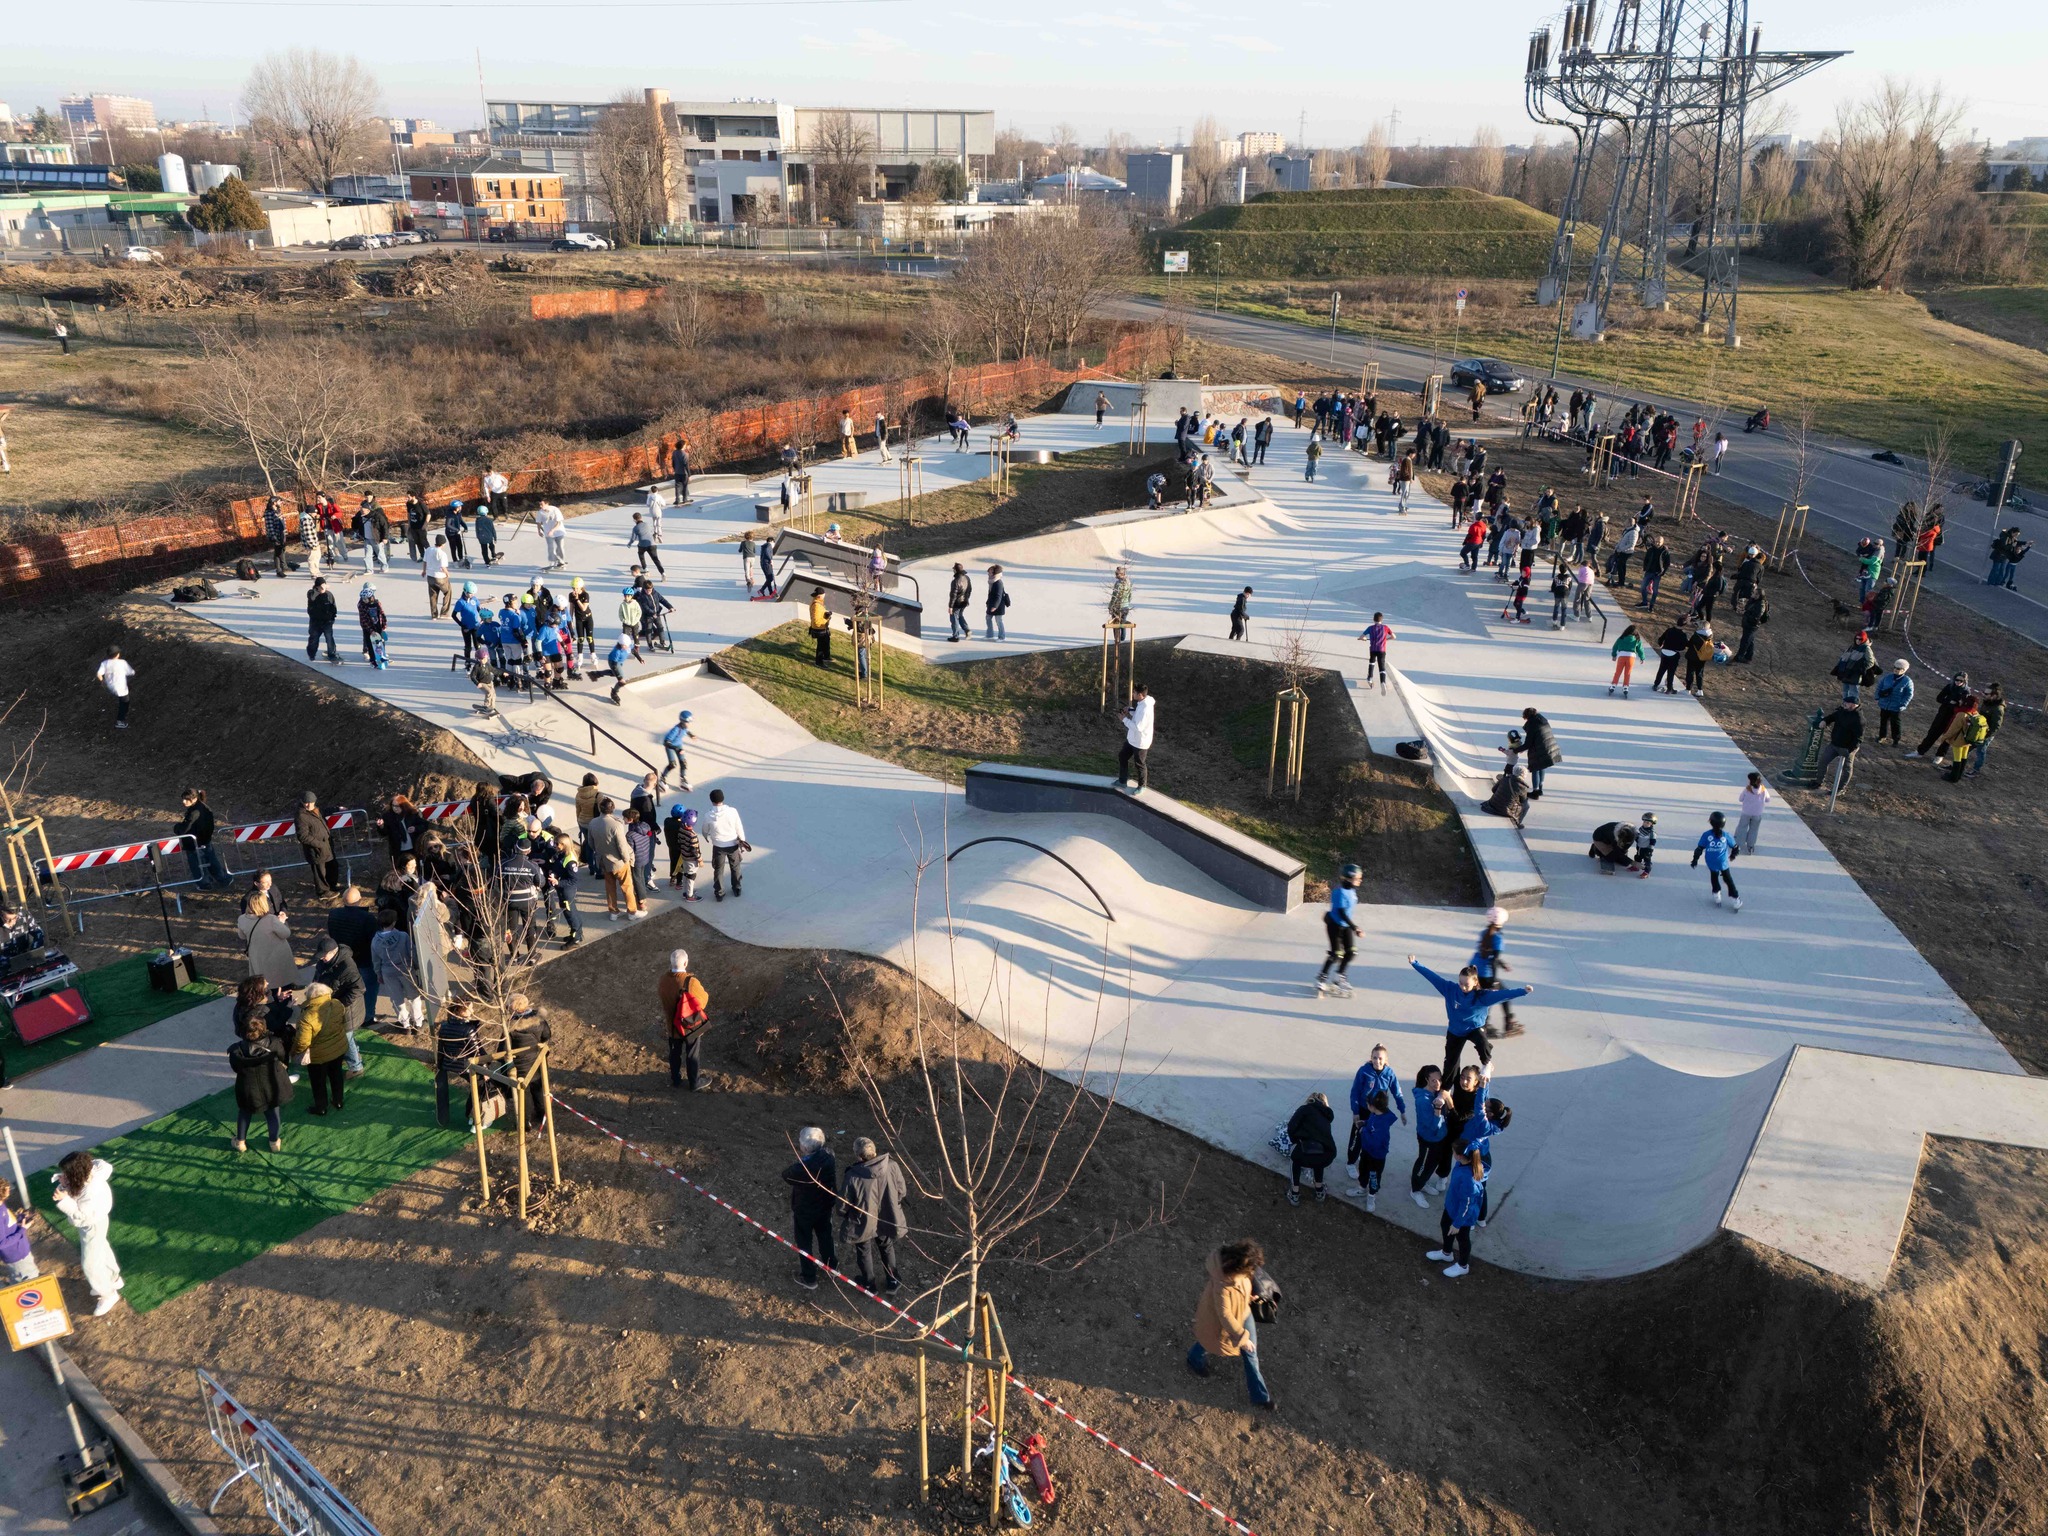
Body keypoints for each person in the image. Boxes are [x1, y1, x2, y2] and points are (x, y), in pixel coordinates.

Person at [1408, 954, 1532, 1080]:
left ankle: (1487, 1064)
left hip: (1474, 1027)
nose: (1463, 987)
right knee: (1451, 1062)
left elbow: (1503, 994)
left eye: (1466, 984)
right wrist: (1415, 963)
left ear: (1475, 982)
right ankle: (1445, 1090)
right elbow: (1432, 977)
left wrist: (1523, 991)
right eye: (1460, 983)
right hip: (1455, 1030)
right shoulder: (1450, 989)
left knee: (1482, 1042)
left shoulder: (1482, 996)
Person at [1186, 1239, 1273, 1411]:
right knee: (1210, 1342)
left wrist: (1248, 1297)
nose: (1254, 1272)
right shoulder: (1223, 1286)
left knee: (1250, 1355)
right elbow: (1225, 1315)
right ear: (1240, 1267)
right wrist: (1242, 1338)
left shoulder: (1234, 1269)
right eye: (1251, 1268)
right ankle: (1193, 1359)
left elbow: (1240, 1289)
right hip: (1219, 1322)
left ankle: (1260, 1396)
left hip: (1242, 1311)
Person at [51, 1153, 123, 1315]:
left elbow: (82, 1217)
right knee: (101, 1248)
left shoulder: (90, 1190)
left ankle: (108, 1294)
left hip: (92, 1224)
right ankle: (113, 1278)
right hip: (97, 1221)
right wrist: (68, 1186)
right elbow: (101, 1164)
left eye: (68, 1173)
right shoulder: (93, 1174)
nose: (65, 1176)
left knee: (90, 1264)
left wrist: (64, 1200)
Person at [839, 1136, 908, 1294]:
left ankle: (869, 1284)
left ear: (858, 1155)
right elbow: (901, 1191)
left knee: (864, 1249)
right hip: (886, 1216)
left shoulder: (852, 1175)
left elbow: (843, 1204)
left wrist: (845, 1215)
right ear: (874, 1151)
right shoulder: (892, 1165)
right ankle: (893, 1280)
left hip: (863, 1220)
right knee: (886, 1245)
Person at [781, 1127, 839, 1290]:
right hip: (825, 1205)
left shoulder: (802, 1168)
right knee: (825, 1236)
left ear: (804, 1147)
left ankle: (809, 1277)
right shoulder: (829, 1156)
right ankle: (831, 1267)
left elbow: (786, 1175)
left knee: (804, 1242)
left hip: (805, 1209)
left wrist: (802, 1161)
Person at [227, 1012, 292, 1153]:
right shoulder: (274, 1043)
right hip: (271, 1084)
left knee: (244, 1112)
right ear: (263, 1029)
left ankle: (240, 1142)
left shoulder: (236, 1051)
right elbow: (282, 1056)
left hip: (248, 1087)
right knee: (273, 1113)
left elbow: (235, 1068)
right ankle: (274, 1143)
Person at [1425, 1146, 1487, 1279]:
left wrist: (1458, 1224)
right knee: (1445, 1225)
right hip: (1452, 1208)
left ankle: (1463, 1266)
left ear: (1459, 1156)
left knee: (1462, 1239)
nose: (1452, 1153)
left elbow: (1467, 1205)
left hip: (1462, 1217)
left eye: (1453, 1151)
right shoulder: (1461, 1164)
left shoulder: (1469, 1180)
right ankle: (1447, 1253)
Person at [291, 980, 351, 1113]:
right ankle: (338, 1101)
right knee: (336, 1075)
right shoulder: (337, 1004)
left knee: (318, 1081)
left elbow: (302, 1041)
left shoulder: (307, 1016)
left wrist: (295, 1052)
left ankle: (321, 1107)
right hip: (338, 1048)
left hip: (318, 1055)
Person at [659, 946, 711, 1090]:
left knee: (674, 1054)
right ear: (686, 963)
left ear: (671, 963)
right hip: (689, 1027)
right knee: (692, 1054)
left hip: (672, 1026)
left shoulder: (663, 980)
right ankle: (694, 1082)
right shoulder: (691, 982)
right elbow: (703, 1000)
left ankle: (675, 1079)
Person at [586, 797, 642, 921]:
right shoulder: (616, 825)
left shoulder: (593, 823)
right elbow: (622, 846)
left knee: (610, 886)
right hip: (618, 862)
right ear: (613, 808)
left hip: (603, 860)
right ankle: (632, 912)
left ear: (600, 808)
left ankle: (613, 912)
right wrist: (627, 859)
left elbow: (590, 843)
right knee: (627, 886)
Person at [1312, 862, 1363, 997]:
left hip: (1345, 926)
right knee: (1336, 954)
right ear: (1348, 878)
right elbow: (1342, 913)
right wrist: (1355, 928)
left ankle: (1339, 977)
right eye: (1357, 878)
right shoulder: (1339, 892)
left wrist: (1351, 927)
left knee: (1351, 952)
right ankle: (1322, 978)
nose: (1360, 880)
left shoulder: (1352, 892)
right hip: (1334, 925)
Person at [1408, 1066, 1452, 1207]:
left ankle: (1423, 1182)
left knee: (1432, 1164)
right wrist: (1438, 1109)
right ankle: (1415, 1189)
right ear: (1426, 1079)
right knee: (1424, 1163)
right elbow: (1432, 1126)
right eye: (1433, 1080)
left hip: (1439, 1138)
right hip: (1428, 1139)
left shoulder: (1437, 1093)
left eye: (1439, 1080)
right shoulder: (1423, 1100)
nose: (1438, 1084)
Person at [1283, 1091, 1337, 1205]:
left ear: (1309, 1100)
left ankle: (1294, 1193)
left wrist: (1296, 1141)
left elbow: (1291, 1127)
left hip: (1306, 1152)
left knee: (1295, 1159)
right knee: (1318, 1158)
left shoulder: (1304, 1109)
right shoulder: (1326, 1115)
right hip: (1328, 1154)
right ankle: (1319, 1191)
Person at [1907, 672, 1970, 760]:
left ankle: (1940, 755)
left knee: (1947, 737)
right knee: (1932, 733)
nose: (1958, 682)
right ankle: (1920, 751)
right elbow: (1939, 698)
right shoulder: (1949, 687)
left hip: (1953, 717)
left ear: (1965, 681)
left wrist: (1956, 704)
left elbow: (1964, 706)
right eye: (1957, 680)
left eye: (1961, 681)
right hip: (1942, 714)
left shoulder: (1966, 692)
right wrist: (1949, 701)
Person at [238, 894, 296, 988]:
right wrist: (281, 922)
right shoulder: (271, 919)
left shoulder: (242, 919)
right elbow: (285, 934)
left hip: (256, 954)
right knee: (280, 981)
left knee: (263, 980)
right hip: (275, 954)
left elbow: (242, 936)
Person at [1691, 811, 1743, 911]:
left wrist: (1695, 860)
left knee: (1714, 876)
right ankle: (1735, 898)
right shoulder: (1726, 835)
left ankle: (1716, 894)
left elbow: (1699, 849)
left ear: (1711, 822)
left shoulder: (1706, 835)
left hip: (1710, 861)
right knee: (1728, 879)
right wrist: (1732, 855)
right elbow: (1736, 847)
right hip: (1722, 861)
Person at [1506, 709, 1562, 799]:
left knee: (1535, 768)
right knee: (1542, 767)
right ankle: (1540, 789)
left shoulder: (1532, 725)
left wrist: (1515, 750)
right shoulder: (1542, 720)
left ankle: (1535, 792)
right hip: (1549, 747)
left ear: (1526, 716)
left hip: (1539, 749)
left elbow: (1528, 744)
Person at [704, 787, 747, 900]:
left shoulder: (708, 815)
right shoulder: (732, 811)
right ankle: (737, 887)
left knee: (718, 869)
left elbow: (705, 829)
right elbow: (739, 827)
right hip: (732, 844)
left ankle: (719, 892)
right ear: (723, 798)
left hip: (718, 846)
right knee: (735, 866)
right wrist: (742, 840)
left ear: (711, 800)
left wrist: (706, 837)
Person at [1819, 698, 1865, 792]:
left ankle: (1840, 788)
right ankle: (1818, 782)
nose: (1844, 704)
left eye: (1846, 703)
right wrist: (1825, 721)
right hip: (1834, 744)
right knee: (1823, 761)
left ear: (1853, 705)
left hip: (1847, 748)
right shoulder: (1842, 711)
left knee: (1846, 769)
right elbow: (1832, 717)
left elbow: (1859, 738)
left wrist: (1850, 750)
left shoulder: (1859, 719)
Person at [1117, 683, 1155, 794]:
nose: (1132, 694)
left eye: (1134, 692)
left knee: (1139, 764)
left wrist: (1124, 719)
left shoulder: (1145, 709)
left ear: (1140, 695)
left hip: (1140, 742)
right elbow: (1137, 716)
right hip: (1132, 739)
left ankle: (1142, 786)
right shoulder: (1142, 703)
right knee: (1122, 756)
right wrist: (1130, 710)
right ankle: (1122, 781)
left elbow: (1138, 727)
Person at [0, 1179, 37, 1283]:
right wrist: (22, 1229)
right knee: (28, 1281)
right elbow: (1, 1243)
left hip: (19, 1250)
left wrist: (21, 1218)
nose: (9, 1190)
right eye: (7, 1189)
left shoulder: (1, 1205)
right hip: (16, 1255)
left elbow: (7, 1224)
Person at [1873, 659, 1914, 746]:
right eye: (1895, 667)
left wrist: (1903, 704)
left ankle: (1896, 739)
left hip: (1896, 706)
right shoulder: (1887, 677)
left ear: (1904, 670)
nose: (1896, 669)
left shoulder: (1907, 681)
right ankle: (1881, 736)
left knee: (1895, 724)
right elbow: (1879, 687)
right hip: (1884, 704)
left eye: (1899, 668)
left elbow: (1908, 695)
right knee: (1883, 722)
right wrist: (1877, 697)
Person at [659, 711, 695, 791]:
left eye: (689, 722)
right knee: (672, 764)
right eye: (687, 722)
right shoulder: (676, 730)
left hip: (678, 745)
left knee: (683, 763)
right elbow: (666, 742)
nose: (688, 724)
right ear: (682, 721)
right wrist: (677, 749)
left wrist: (691, 735)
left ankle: (683, 780)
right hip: (671, 747)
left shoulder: (684, 727)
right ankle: (662, 779)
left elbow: (686, 731)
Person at [1360, 613, 1394, 691]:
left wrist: (1364, 639)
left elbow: (1361, 637)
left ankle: (1370, 678)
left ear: (1373, 619)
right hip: (1382, 650)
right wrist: (1386, 639)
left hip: (1373, 649)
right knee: (1382, 666)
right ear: (1382, 620)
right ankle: (1383, 682)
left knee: (1372, 662)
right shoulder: (1385, 628)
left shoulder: (1370, 628)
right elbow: (1394, 636)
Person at [985, 564, 1011, 641]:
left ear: (995, 573)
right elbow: (990, 594)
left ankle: (1002, 637)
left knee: (998, 621)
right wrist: (987, 602)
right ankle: (990, 635)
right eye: (988, 572)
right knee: (988, 618)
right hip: (991, 604)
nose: (988, 573)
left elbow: (998, 596)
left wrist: (995, 606)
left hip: (998, 605)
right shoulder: (992, 582)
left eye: (990, 572)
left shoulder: (998, 583)